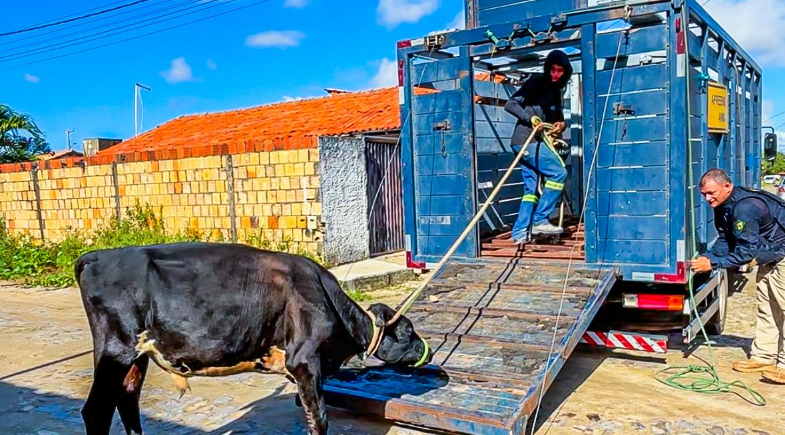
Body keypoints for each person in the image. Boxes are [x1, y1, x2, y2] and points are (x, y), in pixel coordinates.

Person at [691, 168, 785, 384]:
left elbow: (745, 253)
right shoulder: (723, 205)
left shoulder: (745, 207)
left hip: (782, 253)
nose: (707, 198)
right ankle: (764, 356)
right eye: (704, 194)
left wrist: (713, 263)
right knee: (768, 307)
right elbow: (726, 239)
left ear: (727, 186)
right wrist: (708, 256)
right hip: (769, 255)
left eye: (711, 193)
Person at [504, 49, 573, 244]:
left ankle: (519, 233)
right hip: (526, 140)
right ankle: (540, 219)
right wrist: (530, 118)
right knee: (558, 173)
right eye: (552, 69)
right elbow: (510, 105)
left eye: (560, 71)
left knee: (531, 190)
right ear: (547, 68)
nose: (555, 74)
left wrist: (561, 125)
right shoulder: (536, 82)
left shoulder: (556, 92)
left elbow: (557, 119)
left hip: (536, 142)